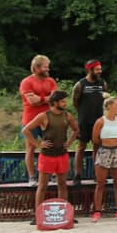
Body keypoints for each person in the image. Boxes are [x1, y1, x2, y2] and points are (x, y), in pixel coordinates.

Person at [21, 91, 79, 220]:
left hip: (62, 154)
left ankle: (64, 213)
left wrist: (69, 143)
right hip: (47, 156)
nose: (65, 103)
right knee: (42, 186)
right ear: (54, 102)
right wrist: (38, 144)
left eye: (65, 101)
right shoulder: (43, 116)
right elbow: (26, 130)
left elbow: (76, 130)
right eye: (63, 101)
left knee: (62, 184)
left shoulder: (67, 116)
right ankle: (38, 216)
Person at [19, 54, 58, 186]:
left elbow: (55, 100)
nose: (48, 70)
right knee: (31, 148)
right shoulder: (27, 82)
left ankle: (53, 174)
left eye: (48, 67)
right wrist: (46, 99)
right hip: (31, 119)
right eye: (45, 67)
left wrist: (40, 99)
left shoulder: (51, 81)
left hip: (48, 118)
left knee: (53, 145)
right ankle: (32, 177)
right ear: (36, 68)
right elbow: (31, 101)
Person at [71, 59, 108, 186]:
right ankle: (77, 174)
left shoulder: (102, 83)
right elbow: (75, 102)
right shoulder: (80, 84)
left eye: (100, 69)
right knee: (81, 147)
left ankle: (97, 174)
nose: (100, 71)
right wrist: (83, 113)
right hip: (84, 121)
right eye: (97, 69)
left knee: (97, 147)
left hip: (98, 121)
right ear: (90, 70)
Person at [91, 96, 117, 222]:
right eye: (116, 105)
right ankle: (97, 211)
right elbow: (95, 139)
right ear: (109, 106)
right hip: (104, 151)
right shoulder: (100, 121)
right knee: (101, 183)